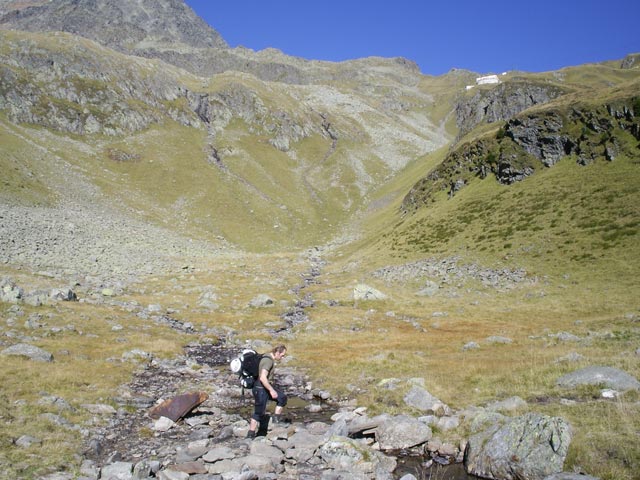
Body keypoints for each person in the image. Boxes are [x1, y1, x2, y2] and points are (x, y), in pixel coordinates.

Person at [246, 344, 288, 438]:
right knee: (258, 413)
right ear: (277, 352)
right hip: (260, 389)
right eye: (282, 355)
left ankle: (276, 420)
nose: (283, 357)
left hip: (263, 388)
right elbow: (263, 378)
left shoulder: (267, 358)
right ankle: (251, 434)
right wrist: (272, 390)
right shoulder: (268, 361)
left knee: (282, 398)